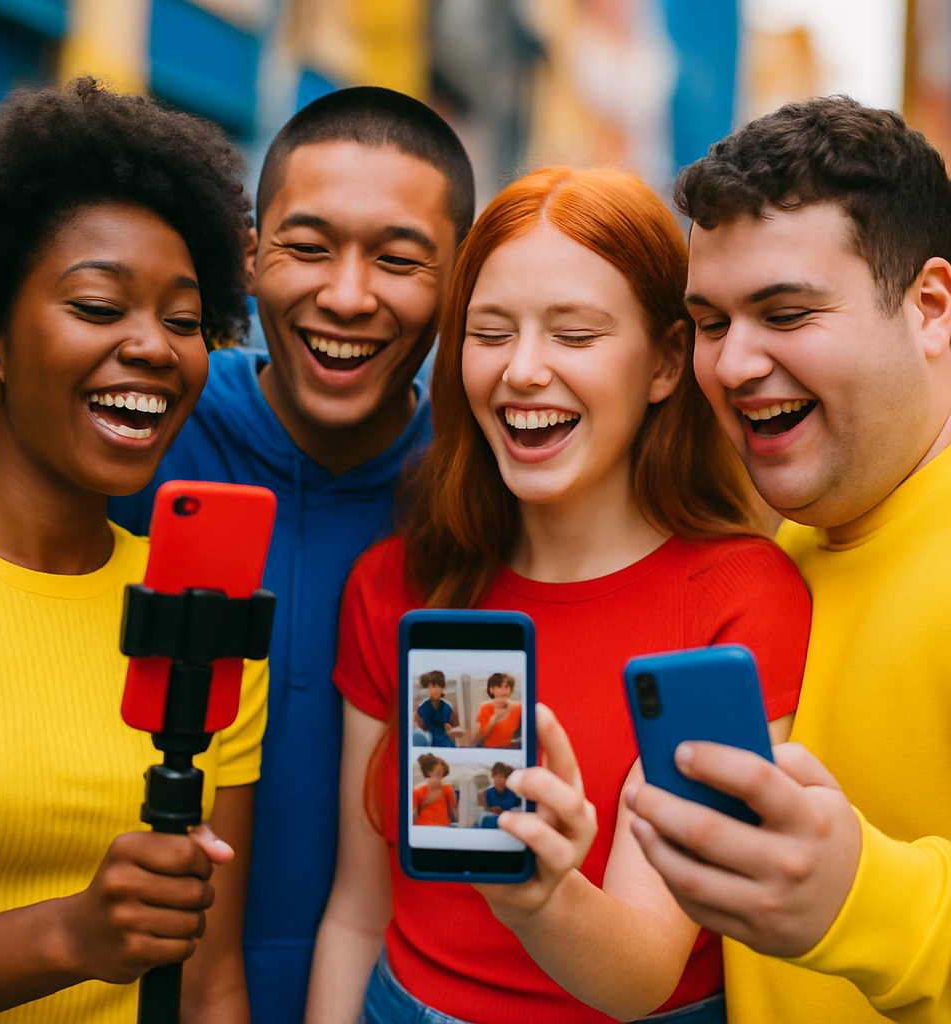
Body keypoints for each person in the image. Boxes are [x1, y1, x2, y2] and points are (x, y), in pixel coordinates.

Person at [307, 166, 811, 1024]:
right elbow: (357, 913)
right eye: (490, 333)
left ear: (665, 362)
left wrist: (540, 895)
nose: (523, 371)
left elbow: (645, 971)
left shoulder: (738, 600)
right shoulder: (394, 583)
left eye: (574, 335)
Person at [108, 86, 474, 1023]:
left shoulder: (486, 487)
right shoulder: (140, 427)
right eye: (307, 248)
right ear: (248, 254)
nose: (346, 297)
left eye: (399, 260)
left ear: (460, 280)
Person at [0, 79, 266, 1023]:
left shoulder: (202, 607)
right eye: (97, 305)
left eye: (185, 321)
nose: (154, 346)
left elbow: (211, 982)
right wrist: (69, 938)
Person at [625, 96, 951, 1024]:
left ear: (929, 308)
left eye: (787, 312)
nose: (732, 366)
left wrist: (855, 897)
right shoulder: (789, 536)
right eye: (712, 323)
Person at [472, 672, 521, 748]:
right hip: (490, 750)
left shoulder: (518, 707)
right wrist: (493, 721)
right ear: (491, 690)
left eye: (506, 687)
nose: (503, 691)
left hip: (511, 750)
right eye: (499, 687)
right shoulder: (485, 708)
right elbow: (477, 741)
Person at [414, 670, 460, 747]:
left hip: (446, 742)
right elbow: (420, 731)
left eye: (439, 686)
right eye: (433, 686)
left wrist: (451, 731)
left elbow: (455, 727)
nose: (436, 690)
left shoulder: (448, 707)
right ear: (428, 687)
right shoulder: (422, 708)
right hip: (429, 743)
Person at [413, 754, 458, 826]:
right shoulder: (417, 792)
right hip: (424, 826)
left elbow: (454, 810)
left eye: (441, 774)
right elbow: (414, 815)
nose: (439, 778)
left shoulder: (447, 788)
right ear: (428, 773)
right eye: (436, 774)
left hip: (442, 827)